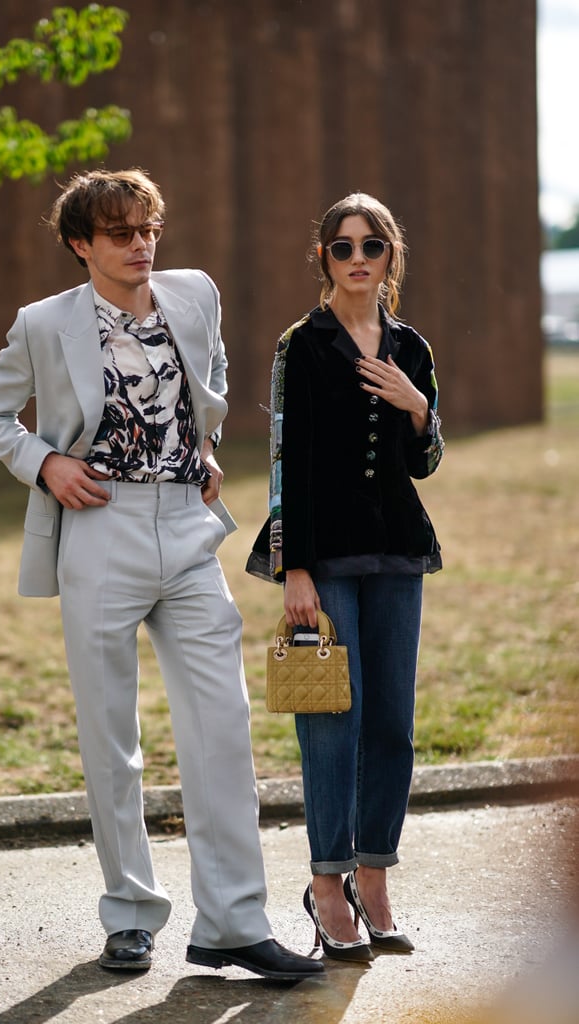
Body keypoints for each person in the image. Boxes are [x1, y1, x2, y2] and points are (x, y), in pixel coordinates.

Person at [0, 168, 324, 982]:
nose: (140, 246)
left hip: (186, 529)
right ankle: (130, 915)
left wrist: (202, 444)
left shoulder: (193, 293)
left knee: (222, 727)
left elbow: (214, 377)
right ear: (80, 244)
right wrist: (46, 462)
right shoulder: (42, 323)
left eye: (148, 229)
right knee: (110, 737)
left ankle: (233, 924)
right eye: (121, 234)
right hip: (98, 527)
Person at [247, 191, 445, 962]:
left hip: (397, 549)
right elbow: (283, 461)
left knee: (392, 723)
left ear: (390, 256)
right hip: (322, 556)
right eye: (342, 247)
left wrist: (416, 408)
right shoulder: (302, 344)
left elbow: (423, 464)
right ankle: (325, 883)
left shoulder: (412, 347)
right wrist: (294, 567)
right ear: (323, 257)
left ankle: (374, 876)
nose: (357, 259)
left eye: (372, 247)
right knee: (333, 720)